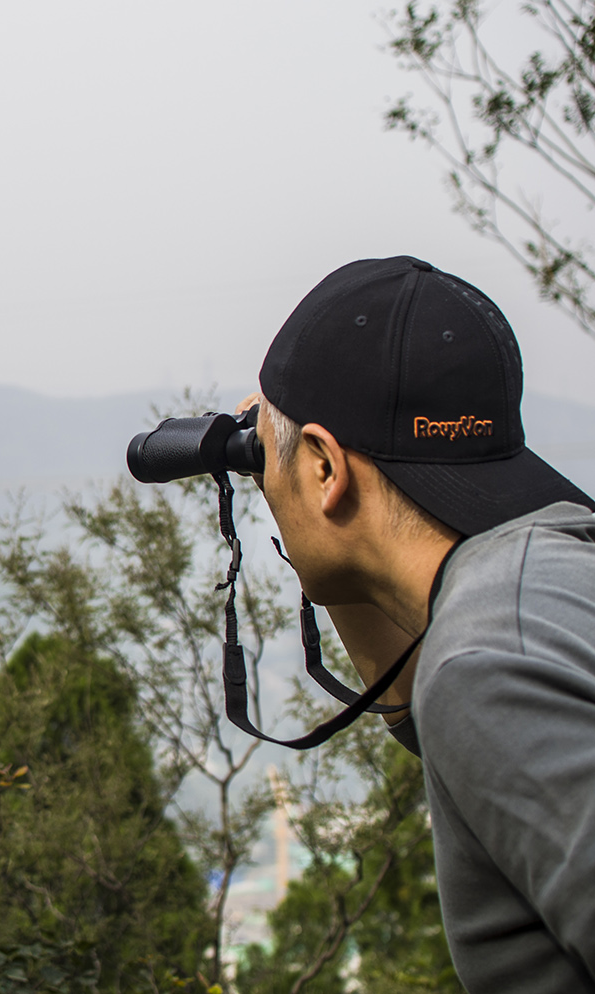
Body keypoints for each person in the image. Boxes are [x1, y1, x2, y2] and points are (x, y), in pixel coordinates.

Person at [236, 255, 595, 991]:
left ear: (327, 469)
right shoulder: (541, 575)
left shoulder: (485, 661)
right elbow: (448, 730)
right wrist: (297, 482)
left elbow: (472, 690)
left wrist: (291, 471)